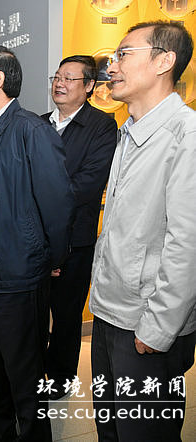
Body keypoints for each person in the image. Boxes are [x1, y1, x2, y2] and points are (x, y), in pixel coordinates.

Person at [0, 45, 74, 442]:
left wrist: (48, 260)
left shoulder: (31, 131)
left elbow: (58, 206)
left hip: (17, 268)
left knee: (24, 370)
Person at [89, 21, 196, 441]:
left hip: (146, 324)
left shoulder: (186, 136)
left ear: (163, 61)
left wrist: (159, 327)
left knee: (145, 433)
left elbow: (187, 244)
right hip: (110, 312)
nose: (111, 67)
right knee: (110, 428)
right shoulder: (129, 130)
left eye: (123, 55)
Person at [40, 55, 117, 400]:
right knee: (33, 310)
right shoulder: (38, 124)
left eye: (69, 78)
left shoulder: (101, 126)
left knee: (67, 314)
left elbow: (88, 183)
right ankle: (33, 368)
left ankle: (60, 377)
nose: (60, 83)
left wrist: (40, 195)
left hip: (75, 240)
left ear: (88, 86)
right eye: (57, 77)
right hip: (36, 238)